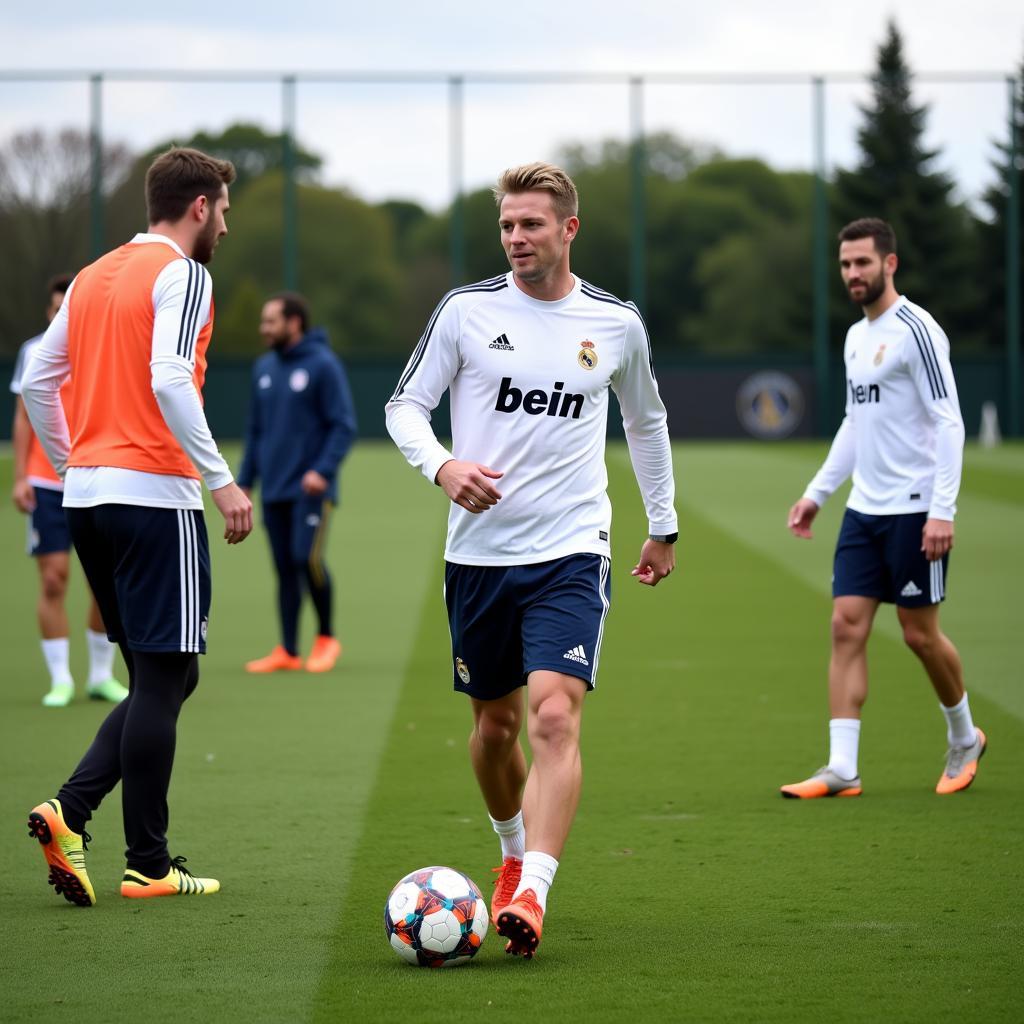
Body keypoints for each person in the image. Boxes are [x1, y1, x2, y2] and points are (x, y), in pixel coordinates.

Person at [385, 162, 677, 958]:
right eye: (508, 225)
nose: (517, 238)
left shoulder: (615, 323)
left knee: (554, 714)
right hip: (478, 558)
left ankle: (535, 889)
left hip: (573, 551)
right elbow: (404, 405)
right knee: (494, 730)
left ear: (568, 229)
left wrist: (664, 523)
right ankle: (511, 852)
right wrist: (444, 466)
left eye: (532, 225)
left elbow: (645, 422)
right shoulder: (466, 313)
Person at [21, 146, 253, 905]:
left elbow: (33, 380)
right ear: (198, 207)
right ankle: (143, 861)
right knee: (163, 676)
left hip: (87, 497)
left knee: (166, 675)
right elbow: (168, 376)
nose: (225, 221)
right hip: (155, 494)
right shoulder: (184, 273)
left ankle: (78, 816)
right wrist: (221, 482)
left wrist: (74, 462)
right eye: (222, 207)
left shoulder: (92, 275)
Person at [782, 217, 983, 800]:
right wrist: (817, 493)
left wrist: (942, 510)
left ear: (889, 264)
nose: (853, 274)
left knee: (920, 635)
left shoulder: (917, 330)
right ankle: (842, 767)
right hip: (865, 511)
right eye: (845, 264)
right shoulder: (855, 337)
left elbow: (949, 422)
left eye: (862, 263)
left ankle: (965, 737)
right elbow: (854, 421)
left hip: (917, 510)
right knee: (845, 626)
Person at [10, 275, 127, 706]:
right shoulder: (33, 352)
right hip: (47, 482)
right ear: (49, 313)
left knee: (105, 583)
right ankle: (60, 678)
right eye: (56, 310)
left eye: (69, 309)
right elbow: (24, 416)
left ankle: (100, 675)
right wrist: (21, 476)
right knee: (55, 580)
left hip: (98, 478)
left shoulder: (102, 345)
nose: (63, 316)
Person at [238, 292, 356, 674]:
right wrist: (244, 482)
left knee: (307, 559)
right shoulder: (263, 369)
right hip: (274, 489)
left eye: (270, 321)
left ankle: (326, 638)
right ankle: (287, 650)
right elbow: (255, 432)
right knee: (284, 568)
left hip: (311, 492)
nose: (263, 329)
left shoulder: (323, 365)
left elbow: (343, 425)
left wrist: (322, 470)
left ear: (294, 323)